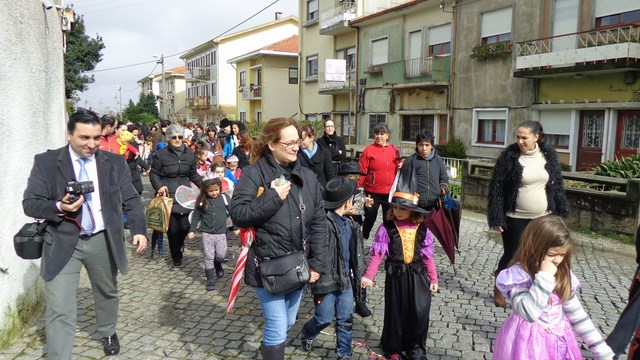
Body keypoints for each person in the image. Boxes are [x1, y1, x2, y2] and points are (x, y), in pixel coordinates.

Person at [22, 109, 148, 358]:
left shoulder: (114, 162)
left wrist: (139, 229)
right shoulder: (46, 162)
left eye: (97, 138)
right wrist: (59, 206)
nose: (91, 144)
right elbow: (30, 203)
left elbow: (131, 198)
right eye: (84, 138)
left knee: (107, 291)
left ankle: (108, 330)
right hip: (61, 240)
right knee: (58, 306)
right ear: (69, 134)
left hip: (102, 239)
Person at [229, 117, 328, 360]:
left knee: (289, 320)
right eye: (290, 143)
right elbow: (239, 214)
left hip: (298, 264)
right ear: (272, 144)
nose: (297, 147)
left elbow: (318, 222)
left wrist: (318, 262)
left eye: (298, 141)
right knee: (276, 325)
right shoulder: (254, 173)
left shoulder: (307, 176)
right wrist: (273, 196)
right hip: (266, 264)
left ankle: (269, 349)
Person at [493, 215, 614, 360]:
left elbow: (578, 316)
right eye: (551, 254)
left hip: (559, 343)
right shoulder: (519, 277)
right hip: (527, 347)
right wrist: (544, 277)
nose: (557, 260)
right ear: (533, 249)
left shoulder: (561, 274)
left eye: (562, 254)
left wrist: (602, 351)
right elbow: (529, 313)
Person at [488, 120, 569, 307]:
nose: (520, 141)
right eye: (518, 137)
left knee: (539, 256)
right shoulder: (509, 156)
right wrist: (497, 217)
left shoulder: (548, 155)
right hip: (515, 217)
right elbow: (497, 189)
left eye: (524, 137)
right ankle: (499, 288)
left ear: (536, 137)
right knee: (512, 254)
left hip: (543, 217)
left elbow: (556, 187)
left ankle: (536, 291)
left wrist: (559, 214)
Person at [361, 191, 438, 360]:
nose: (398, 212)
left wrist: (433, 278)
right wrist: (369, 276)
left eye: (402, 208)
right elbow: (377, 255)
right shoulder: (387, 228)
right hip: (395, 276)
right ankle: (394, 347)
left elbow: (427, 256)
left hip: (417, 275)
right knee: (396, 312)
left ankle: (415, 348)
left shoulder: (422, 228)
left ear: (413, 210)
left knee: (419, 311)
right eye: (395, 207)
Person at [300, 177, 365, 360]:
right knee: (324, 318)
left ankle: (344, 353)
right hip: (326, 279)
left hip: (345, 279)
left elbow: (356, 252)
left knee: (346, 318)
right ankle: (308, 332)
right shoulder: (323, 224)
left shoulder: (350, 223)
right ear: (347, 202)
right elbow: (312, 249)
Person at [150, 124, 203, 266]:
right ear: (168, 139)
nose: (178, 140)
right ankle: (176, 254)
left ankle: (180, 244)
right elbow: (154, 173)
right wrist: (159, 186)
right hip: (168, 196)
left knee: (185, 227)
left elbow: (193, 174)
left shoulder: (189, 154)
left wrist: (205, 187)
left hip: (185, 195)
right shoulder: (161, 155)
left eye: (180, 137)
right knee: (172, 230)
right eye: (174, 137)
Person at [338, 161, 372, 317]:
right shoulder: (336, 190)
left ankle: (360, 300)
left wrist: (368, 207)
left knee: (358, 264)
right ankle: (337, 299)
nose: (353, 180)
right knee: (339, 262)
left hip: (355, 231)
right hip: (338, 230)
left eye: (356, 177)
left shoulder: (361, 193)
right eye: (350, 176)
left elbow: (360, 212)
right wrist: (343, 212)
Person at [358, 123, 401, 239]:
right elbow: (362, 170)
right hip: (372, 191)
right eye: (376, 134)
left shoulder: (394, 150)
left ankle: (388, 242)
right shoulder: (368, 150)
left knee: (389, 219)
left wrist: (401, 165)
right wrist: (355, 186)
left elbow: (398, 166)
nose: (379, 136)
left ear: (388, 135)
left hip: (389, 192)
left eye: (382, 134)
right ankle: (363, 238)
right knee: (370, 216)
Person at [187, 176, 230, 290]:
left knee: (221, 255)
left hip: (221, 232)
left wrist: (236, 227)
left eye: (216, 190)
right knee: (208, 256)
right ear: (205, 190)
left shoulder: (225, 198)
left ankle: (218, 264)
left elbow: (233, 212)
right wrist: (192, 230)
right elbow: (196, 216)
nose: (214, 193)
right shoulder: (201, 200)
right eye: (211, 191)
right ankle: (210, 279)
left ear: (220, 188)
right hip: (207, 233)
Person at [398, 131, 449, 211]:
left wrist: (443, 189)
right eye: (421, 145)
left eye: (427, 145)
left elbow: (444, 178)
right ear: (417, 146)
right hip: (415, 205)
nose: (424, 148)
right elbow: (403, 183)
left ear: (431, 146)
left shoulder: (438, 160)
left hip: (434, 205)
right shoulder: (411, 161)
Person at [297, 124, 335, 189]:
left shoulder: (324, 152)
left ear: (311, 138)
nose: (300, 142)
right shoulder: (296, 153)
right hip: (303, 190)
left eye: (303, 139)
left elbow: (330, 176)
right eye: (299, 139)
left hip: (320, 190)